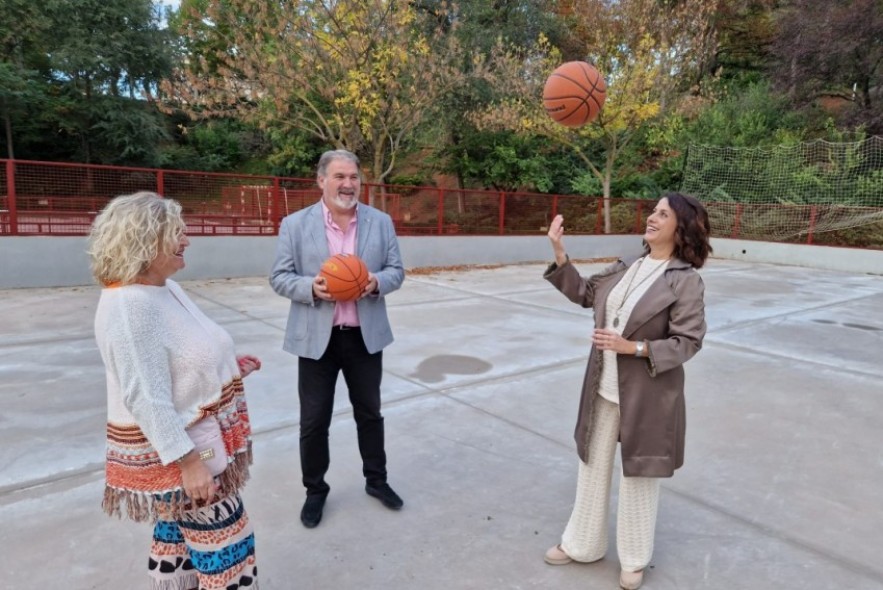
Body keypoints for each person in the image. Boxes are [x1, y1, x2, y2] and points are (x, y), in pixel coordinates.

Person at [89, 191, 261, 590]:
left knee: (179, 546)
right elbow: (145, 398)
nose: (186, 240)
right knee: (227, 551)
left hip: (195, 441)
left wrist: (228, 369)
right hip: (186, 452)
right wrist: (191, 465)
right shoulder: (131, 307)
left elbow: (183, 358)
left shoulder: (160, 288)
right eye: (177, 233)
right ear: (146, 242)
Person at [541, 192, 712, 590]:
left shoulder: (685, 280)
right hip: (603, 387)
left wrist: (632, 347)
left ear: (680, 226)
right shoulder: (627, 265)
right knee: (592, 466)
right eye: (653, 210)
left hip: (648, 395)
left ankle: (634, 558)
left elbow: (689, 341)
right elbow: (585, 294)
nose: (652, 217)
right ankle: (583, 544)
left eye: (663, 213)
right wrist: (559, 251)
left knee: (639, 475)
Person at [270, 149, 406, 529]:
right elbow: (279, 277)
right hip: (317, 340)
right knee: (313, 421)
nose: (348, 184)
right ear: (321, 180)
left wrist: (376, 282)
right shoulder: (295, 225)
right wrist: (310, 287)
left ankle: (376, 481)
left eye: (354, 177)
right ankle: (315, 490)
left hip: (364, 337)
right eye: (340, 177)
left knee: (370, 413)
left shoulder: (380, 222)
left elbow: (397, 270)